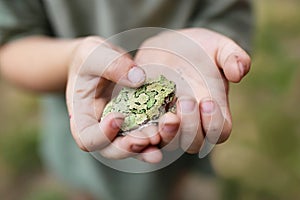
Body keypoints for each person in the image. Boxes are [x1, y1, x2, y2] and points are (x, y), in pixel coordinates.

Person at [0, 0, 253, 199]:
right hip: (85, 117)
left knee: (171, 179)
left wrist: (207, 45)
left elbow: (228, 11)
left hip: (173, 137)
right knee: (87, 188)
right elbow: (10, 43)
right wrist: (72, 58)